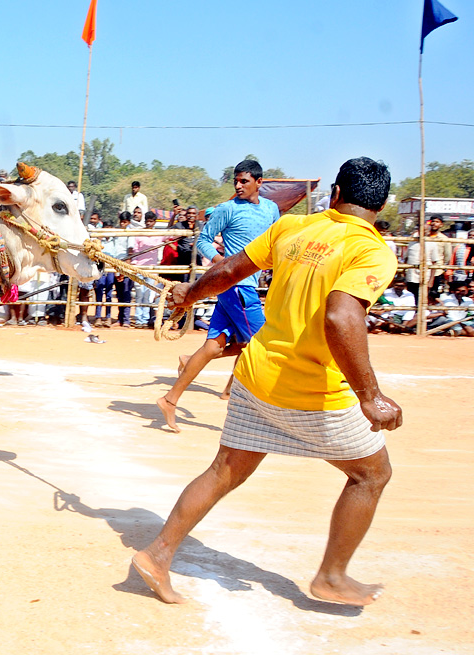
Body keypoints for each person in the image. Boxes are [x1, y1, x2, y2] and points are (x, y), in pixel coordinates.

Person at [133, 157, 402, 607]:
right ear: (381, 204)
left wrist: (189, 293)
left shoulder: (292, 227)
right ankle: (332, 577)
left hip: (256, 377)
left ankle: (158, 555)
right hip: (314, 392)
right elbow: (341, 315)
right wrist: (369, 397)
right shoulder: (372, 250)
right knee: (371, 474)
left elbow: (230, 271)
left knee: (222, 472)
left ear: (335, 195)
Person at [157, 160, 279, 431]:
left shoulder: (272, 210)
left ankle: (170, 398)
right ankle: (266, 414)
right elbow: (203, 240)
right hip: (237, 287)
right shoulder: (227, 209)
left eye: (244, 181)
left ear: (260, 182)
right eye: (236, 181)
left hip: (243, 286)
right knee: (262, 345)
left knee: (213, 347)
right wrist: (220, 262)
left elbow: (276, 242)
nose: (238, 185)